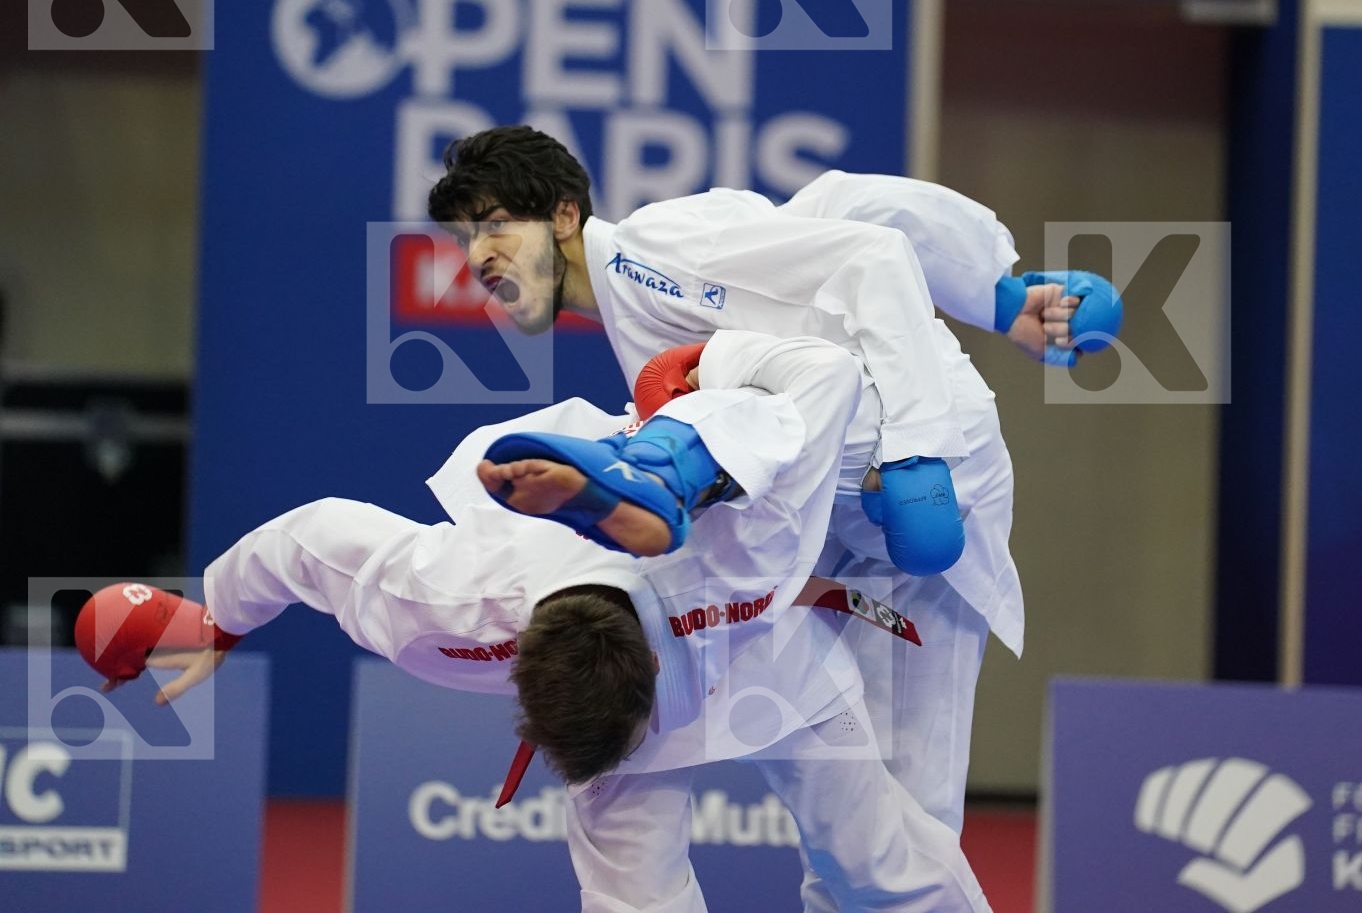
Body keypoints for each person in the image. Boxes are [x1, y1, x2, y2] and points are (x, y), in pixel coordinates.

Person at [86, 332, 992, 912]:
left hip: (767, 659)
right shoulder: (447, 611)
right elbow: (310, 539)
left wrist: (712, 364)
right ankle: (657, 456)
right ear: (513, 669)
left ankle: (660, 456)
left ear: (648, 692)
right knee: (639, 896)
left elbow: (826, 371)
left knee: (873, 858)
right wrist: (216, 619)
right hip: (641, 613)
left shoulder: (742, 551)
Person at [426, 130, 1117, 862]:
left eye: (497, 224)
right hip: (839, 513)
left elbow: (871, 257)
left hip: (929, 486)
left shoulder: (647, 258)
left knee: (914, 806)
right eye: (466, 238)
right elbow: (834, 208)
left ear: (564, 215)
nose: (478, 257)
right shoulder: (637, 295)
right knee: (850, 819)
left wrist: (920, 447)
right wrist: (997, 296)